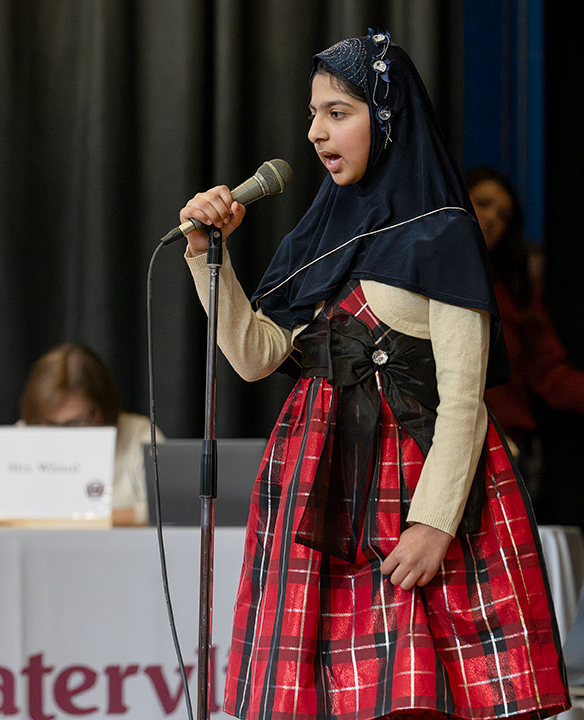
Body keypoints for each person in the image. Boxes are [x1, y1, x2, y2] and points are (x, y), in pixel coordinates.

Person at [178, 31, 568, 720]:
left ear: (386, 118)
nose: (315, 132)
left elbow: (462, 400)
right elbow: (253, 356)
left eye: (337, 112)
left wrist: (432, 525)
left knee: (409, 697)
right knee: (321, 699)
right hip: (315, 487)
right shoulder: (318, 233)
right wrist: (207, 257)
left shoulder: (440, 232)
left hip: (404, 496)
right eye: (312, 114)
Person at [0, 342, 160, 526]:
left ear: (103, 408)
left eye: (76, 422)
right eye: (49, 423)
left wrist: (87, 520)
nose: (63, 435)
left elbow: (170, 509)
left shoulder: (138, 434)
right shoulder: (24, 435)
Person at [465, 167, 584, 473]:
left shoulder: (512, 294)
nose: (491, 219)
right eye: (483, 203)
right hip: (429, 446)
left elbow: (551, 374)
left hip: (504, 452)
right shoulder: (416, 274)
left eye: (503, 215)